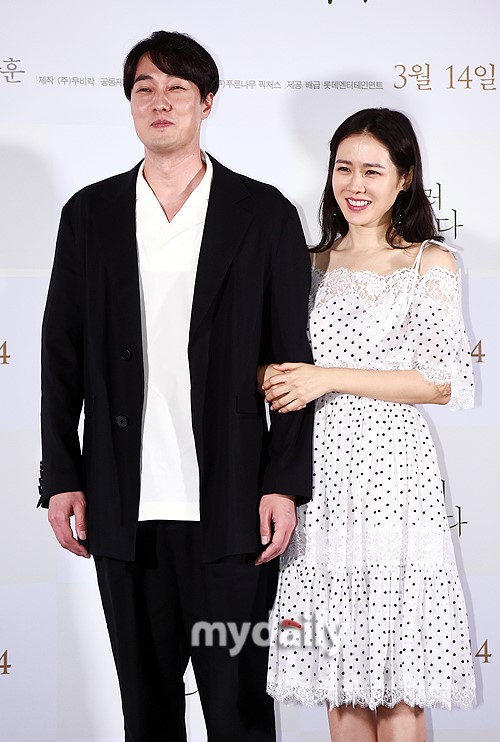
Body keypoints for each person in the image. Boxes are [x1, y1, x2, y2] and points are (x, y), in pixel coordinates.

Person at [38, 30, 314, 742]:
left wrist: (283, 483)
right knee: (147, 712)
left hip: (233, 511)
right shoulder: (90, 214)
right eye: (145, 89)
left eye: (177, 89)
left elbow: (293, 362)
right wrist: (62, 476)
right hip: (123, 508)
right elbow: (60, 356)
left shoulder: (263, 214)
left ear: (206, 103)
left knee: (240, 711)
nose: (160, 102)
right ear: (130, 103)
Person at [264, 108, 475, 741]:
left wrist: (326, 377)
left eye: (373, 171)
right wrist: (274, 375)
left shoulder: (430, 263)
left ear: (404, 178)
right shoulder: (307, 263)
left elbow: (440, 382)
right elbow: (275, 362)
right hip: (321, 471)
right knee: (339, 676)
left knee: (400, 676)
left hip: (394, 472)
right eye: (344, 168)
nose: (355, 185)